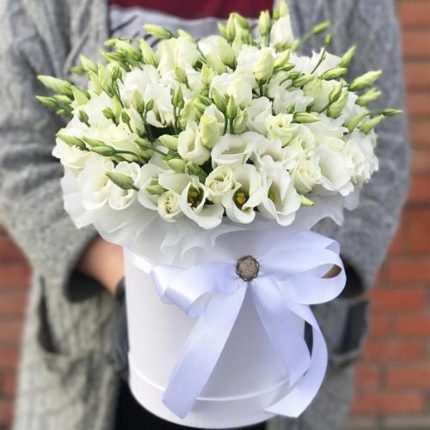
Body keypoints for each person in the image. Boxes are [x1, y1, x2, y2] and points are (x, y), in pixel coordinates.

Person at [0, 0, 409, 429]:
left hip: (284, 353)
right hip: (112, 357)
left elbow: (382, 151)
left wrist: (302, 285)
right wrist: (129, 283)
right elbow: (16, 155)